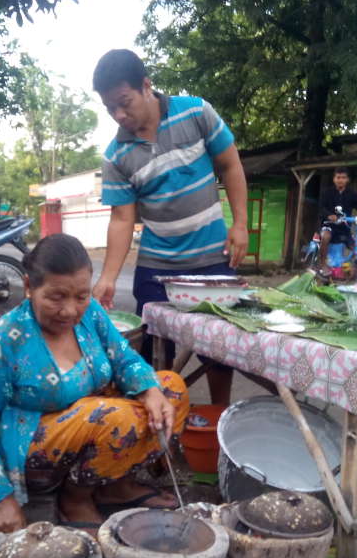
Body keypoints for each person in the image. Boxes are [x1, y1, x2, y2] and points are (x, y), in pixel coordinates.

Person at [0, 233, 189, 534]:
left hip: (94, 422)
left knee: (171, 388)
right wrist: (1, 499)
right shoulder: (1, 341)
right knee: (114, 418)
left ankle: (114, 485)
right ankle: (75, 498)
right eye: (56, 297)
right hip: (36, 448)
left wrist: (150, 391)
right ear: (28, 287)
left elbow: (124, 358)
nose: (71, 311)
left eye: (80, 296)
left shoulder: (91, 313)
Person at [90, 48, 248, 405]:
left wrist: (240, 224)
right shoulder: (116, 155)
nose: (119, 114)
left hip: (211, 258)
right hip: (157, 267)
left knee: (218, 350)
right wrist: (108, 277)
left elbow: (231, 165)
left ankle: (218, 415)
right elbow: (122, 219)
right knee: (149, 350)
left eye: (124, 102)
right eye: (109, 108)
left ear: (146, 86)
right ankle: (158, 429)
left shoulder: (195, 112)